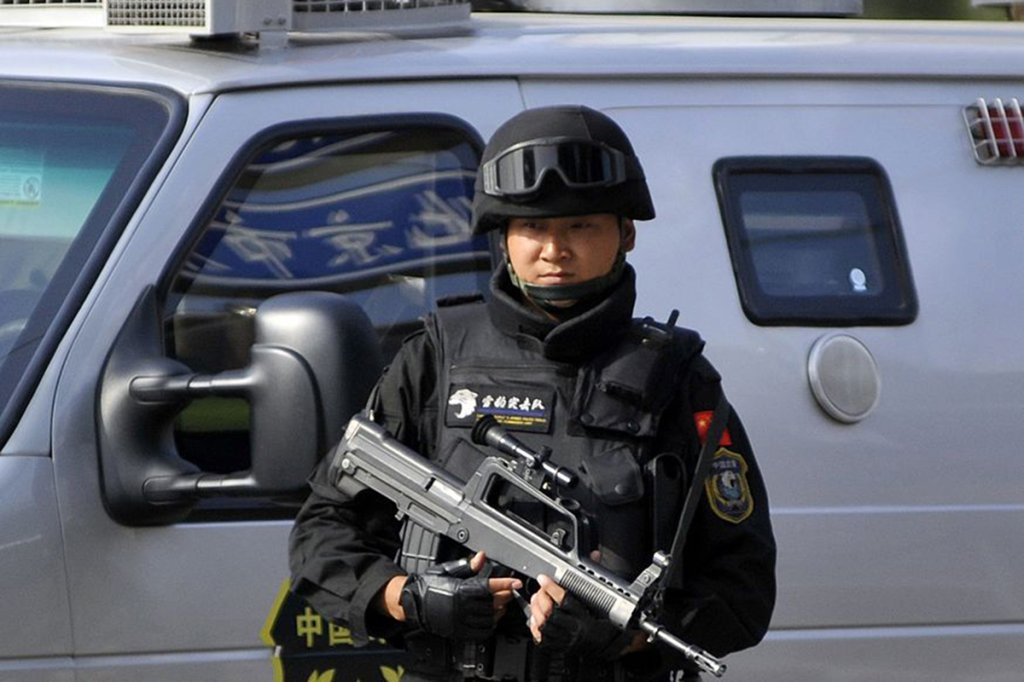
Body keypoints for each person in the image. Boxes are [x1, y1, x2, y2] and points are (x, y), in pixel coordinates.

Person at [288, 105, 776, 682]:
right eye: (533, 228)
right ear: (504, 237)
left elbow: (742, 590)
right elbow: (323, 531)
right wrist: (406, 596)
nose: (554, 249)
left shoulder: (677, 379)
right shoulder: (435, 359)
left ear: (626, 234)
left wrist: (624, 640)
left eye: (580, 226)